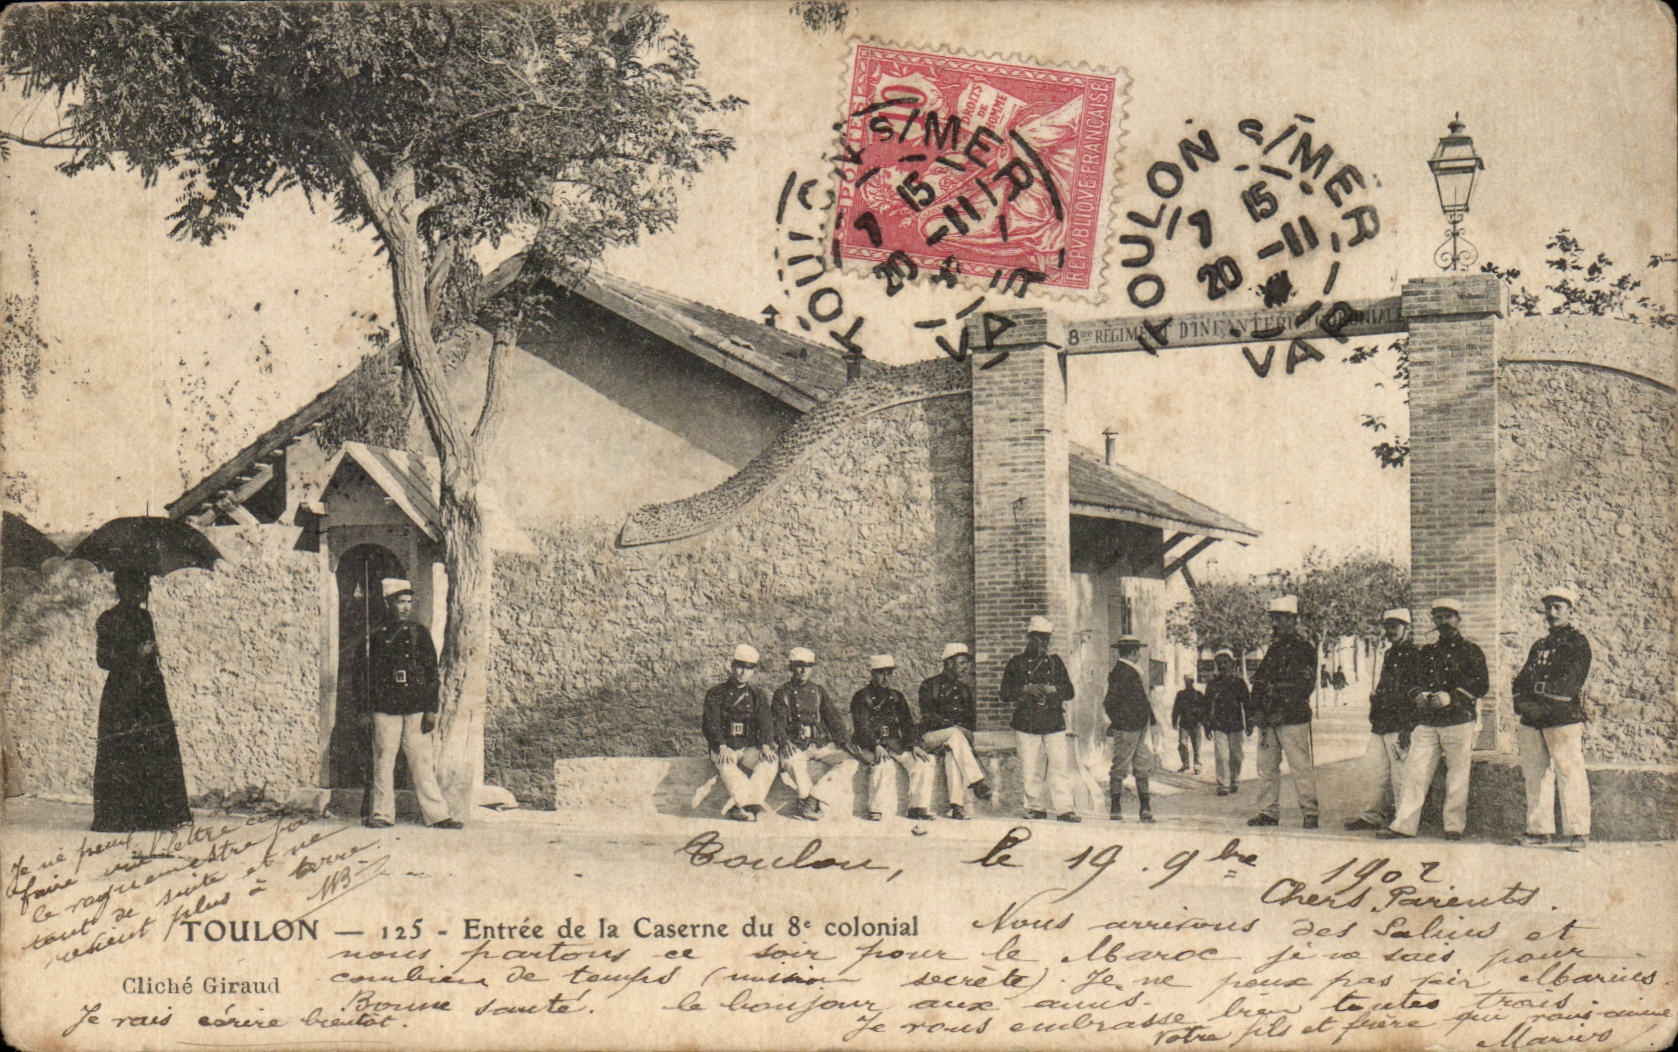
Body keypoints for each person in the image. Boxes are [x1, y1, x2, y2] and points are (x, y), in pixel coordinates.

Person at [91, 567, 192, 832]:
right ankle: (122, 817)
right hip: (122, 693)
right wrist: (136, 652)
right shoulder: (108, 619)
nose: (143, 593)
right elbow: (103, 659)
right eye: (138, 588)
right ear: (123, 589)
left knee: (155, 748)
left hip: (149, 692)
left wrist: (153, 651)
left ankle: (154, 815)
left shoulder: (145, 617)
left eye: (144, 588)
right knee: (123, 749)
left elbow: (149, 653)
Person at [1380, 598, 1488, 841]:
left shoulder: (1471, 651)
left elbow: (1481, 685)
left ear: (1458, 619)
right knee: (1415, 772)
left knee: (1457, 775)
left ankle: (1454, 826)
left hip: (1458, 721)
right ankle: (1404, 825)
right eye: (1438, 617)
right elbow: (1411, 681)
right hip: (1428, 721)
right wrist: (1417, 694)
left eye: (1448, 617)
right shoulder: (1427, 652)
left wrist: (1452, 697)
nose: (1443, 622)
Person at [366, 579, 461, 830]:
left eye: (409, 602)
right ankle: (382, 814)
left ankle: (437, 815)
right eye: (400, 602)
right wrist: (365, 710)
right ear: (389, 603)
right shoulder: (376, 635)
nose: (406, 607)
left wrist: (431, 709)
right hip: (385, 706)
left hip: (415, 706)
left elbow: (431, 674)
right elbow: (365, 674)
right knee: (384, 760)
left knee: (422, 761)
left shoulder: (420, 633)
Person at [1512, 586, 1594, 851]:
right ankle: (1539, 830)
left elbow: (1570, 683)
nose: (1552, 612)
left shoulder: (1577, 644)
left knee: (1570, 773)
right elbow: (1521, 680)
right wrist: (1523, 702)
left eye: (1558, 607)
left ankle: (1578, 832)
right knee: (1535, 775)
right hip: (1533, 720)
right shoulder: (1539, 646)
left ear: (1571, 611)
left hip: (1562, 718)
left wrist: (1539, 701)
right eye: (1549, 607)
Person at [1345, 609, 1425, 831]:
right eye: (1388, 626)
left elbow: (1417, 695)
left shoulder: (1415, 655)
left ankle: (1402, 821)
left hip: (1400, 724)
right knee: (1374, 772)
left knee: (1401, 775)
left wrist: (1408, 727)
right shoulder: (1389, 654)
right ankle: (1371, 816)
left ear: (1407, 628)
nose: (1390, 631)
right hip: (1381, 723)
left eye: (1395, 626)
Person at [1248, 596, 1320, 829]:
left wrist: (1284, 710)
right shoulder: (1273, 650)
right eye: (1273, 619)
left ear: (1292, 620)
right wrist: (1256, 710)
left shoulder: (1305, 649)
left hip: (1293, 719)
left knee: (1300, 767)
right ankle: (1267, 812)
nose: (1275, 624)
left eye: (1279, 619)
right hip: (1268, 720)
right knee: (1266, 768)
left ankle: (1310, 812)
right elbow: (1259, 682)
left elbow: (1305, 686)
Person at [1002, 616, 1079, 822]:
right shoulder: (1016, 663)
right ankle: (1034, 807)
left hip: (1053, 721)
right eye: (1038, 638)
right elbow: (1004, 693)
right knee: (1030, 767)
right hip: (1026, 721)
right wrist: (1024, 689)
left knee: (1059, 766)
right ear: (1029, 638)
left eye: (1046, 639)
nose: (1043, 643)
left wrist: (1053, 689)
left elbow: (1069, 691)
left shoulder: (1055, 662)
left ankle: (1064, 809)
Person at [772, 647, 856, 821]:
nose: (804, 670)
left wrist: (845, 742)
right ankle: (805, 799)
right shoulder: (782, 693)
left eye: (808, 666)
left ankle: (815, 797)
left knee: (851, 762)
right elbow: (777, 723)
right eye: (799, 665)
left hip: (819, 743)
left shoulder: (818, 691)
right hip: (795, 744)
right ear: (791, 667)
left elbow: (833, 719)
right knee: (794, 763)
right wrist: (784, 741)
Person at [851, 655, 935, 821]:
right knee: (883, 763)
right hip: (869, 744)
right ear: (872, 674)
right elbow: (862, 727)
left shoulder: (896, 697)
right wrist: (875, 745)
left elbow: (907, 724)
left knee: (924, 762)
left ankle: (917, 807)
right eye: (881, 673)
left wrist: (914, 745)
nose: (885, 678)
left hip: (893, 743)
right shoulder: (861, 697)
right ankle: (876, 809)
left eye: (888, 673)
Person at [702, 643, 779, 822]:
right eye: (739, 666)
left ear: (753, 671)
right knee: (727, 765)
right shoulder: (716, 693)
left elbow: (766, 722)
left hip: (747, 747)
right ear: (732, 666)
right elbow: (710, 723)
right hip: (724, 747)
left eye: (748, 668)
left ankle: (742, 806)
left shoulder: (757, 695)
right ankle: (751, 805)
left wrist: (766, 745)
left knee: (770, 762)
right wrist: (721, 746)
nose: (743, 672)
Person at [917, 643, 992, 820]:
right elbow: (928, 716)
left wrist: (967, 732)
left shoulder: (965, 690)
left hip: (955, 742)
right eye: (962, 663)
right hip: (930, 737)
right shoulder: (929, 685)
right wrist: (954, 727)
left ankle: (956, 807)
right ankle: (977, 781)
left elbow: (970, 721)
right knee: (954, 735)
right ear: (950, 663)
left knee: (953, 752)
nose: (966, 667)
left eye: (967, 663)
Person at [1104, 636, 1156, 822]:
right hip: (1127, 727)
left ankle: (1145, 808)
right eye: (1138, 651)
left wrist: (1150, 720)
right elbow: (1109, 702)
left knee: (1142, 765)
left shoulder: (1131, 671)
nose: (1140, 655)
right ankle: (1116, 808)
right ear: (1132, 652)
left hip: (1139, 726)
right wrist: (1120, 722)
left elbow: (1142, 701)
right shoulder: (1120, 672)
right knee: (1120, 767)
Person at [1203, 649, 1251, 797]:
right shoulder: (1212, 684)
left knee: (1236, 755)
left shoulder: (1239, 683)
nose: (1222, 666)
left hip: (1235, 724)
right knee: (1222, 755)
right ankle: (1223, 784)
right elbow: (1207, 705)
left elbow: (1247, 704)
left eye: (1225, 662)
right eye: (1219, 663)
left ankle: (1234, 779)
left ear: (1232, 664)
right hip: (1219, 724)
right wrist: (1207, 725)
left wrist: (1249, 722)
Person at [1171, 674, 1206, 774]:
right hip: (1184, 724)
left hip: (1196, 724)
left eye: (1189, 681)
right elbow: (1176, 708)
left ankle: (1197, 766)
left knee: (1197, 747)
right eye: (1185, 680)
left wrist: (1201, 716)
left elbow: (1204, 708)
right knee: (1182, 744)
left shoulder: (1199, 694)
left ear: (1192, 681)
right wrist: (1174, 720)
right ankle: (1185, 764)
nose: (1187, 683)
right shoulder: (1180, 694)